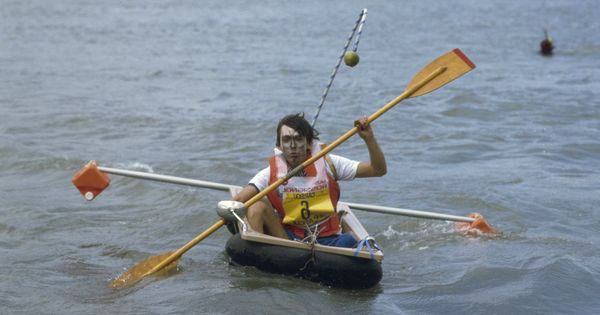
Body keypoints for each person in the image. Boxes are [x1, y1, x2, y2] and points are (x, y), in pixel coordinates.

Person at [232, 113, 386, 248]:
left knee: (350, 241)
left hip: (329, 238)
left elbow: (378, 170)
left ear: (308, 143)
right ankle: (259, 252)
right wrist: (228, 216)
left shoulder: (329, 163)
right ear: (279, 146)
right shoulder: (269, 174)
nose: (292, 146)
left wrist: (369, 139)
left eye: (298, 139)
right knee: (256, 204)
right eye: (286, 140)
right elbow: (239, 200)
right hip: (288, 239)